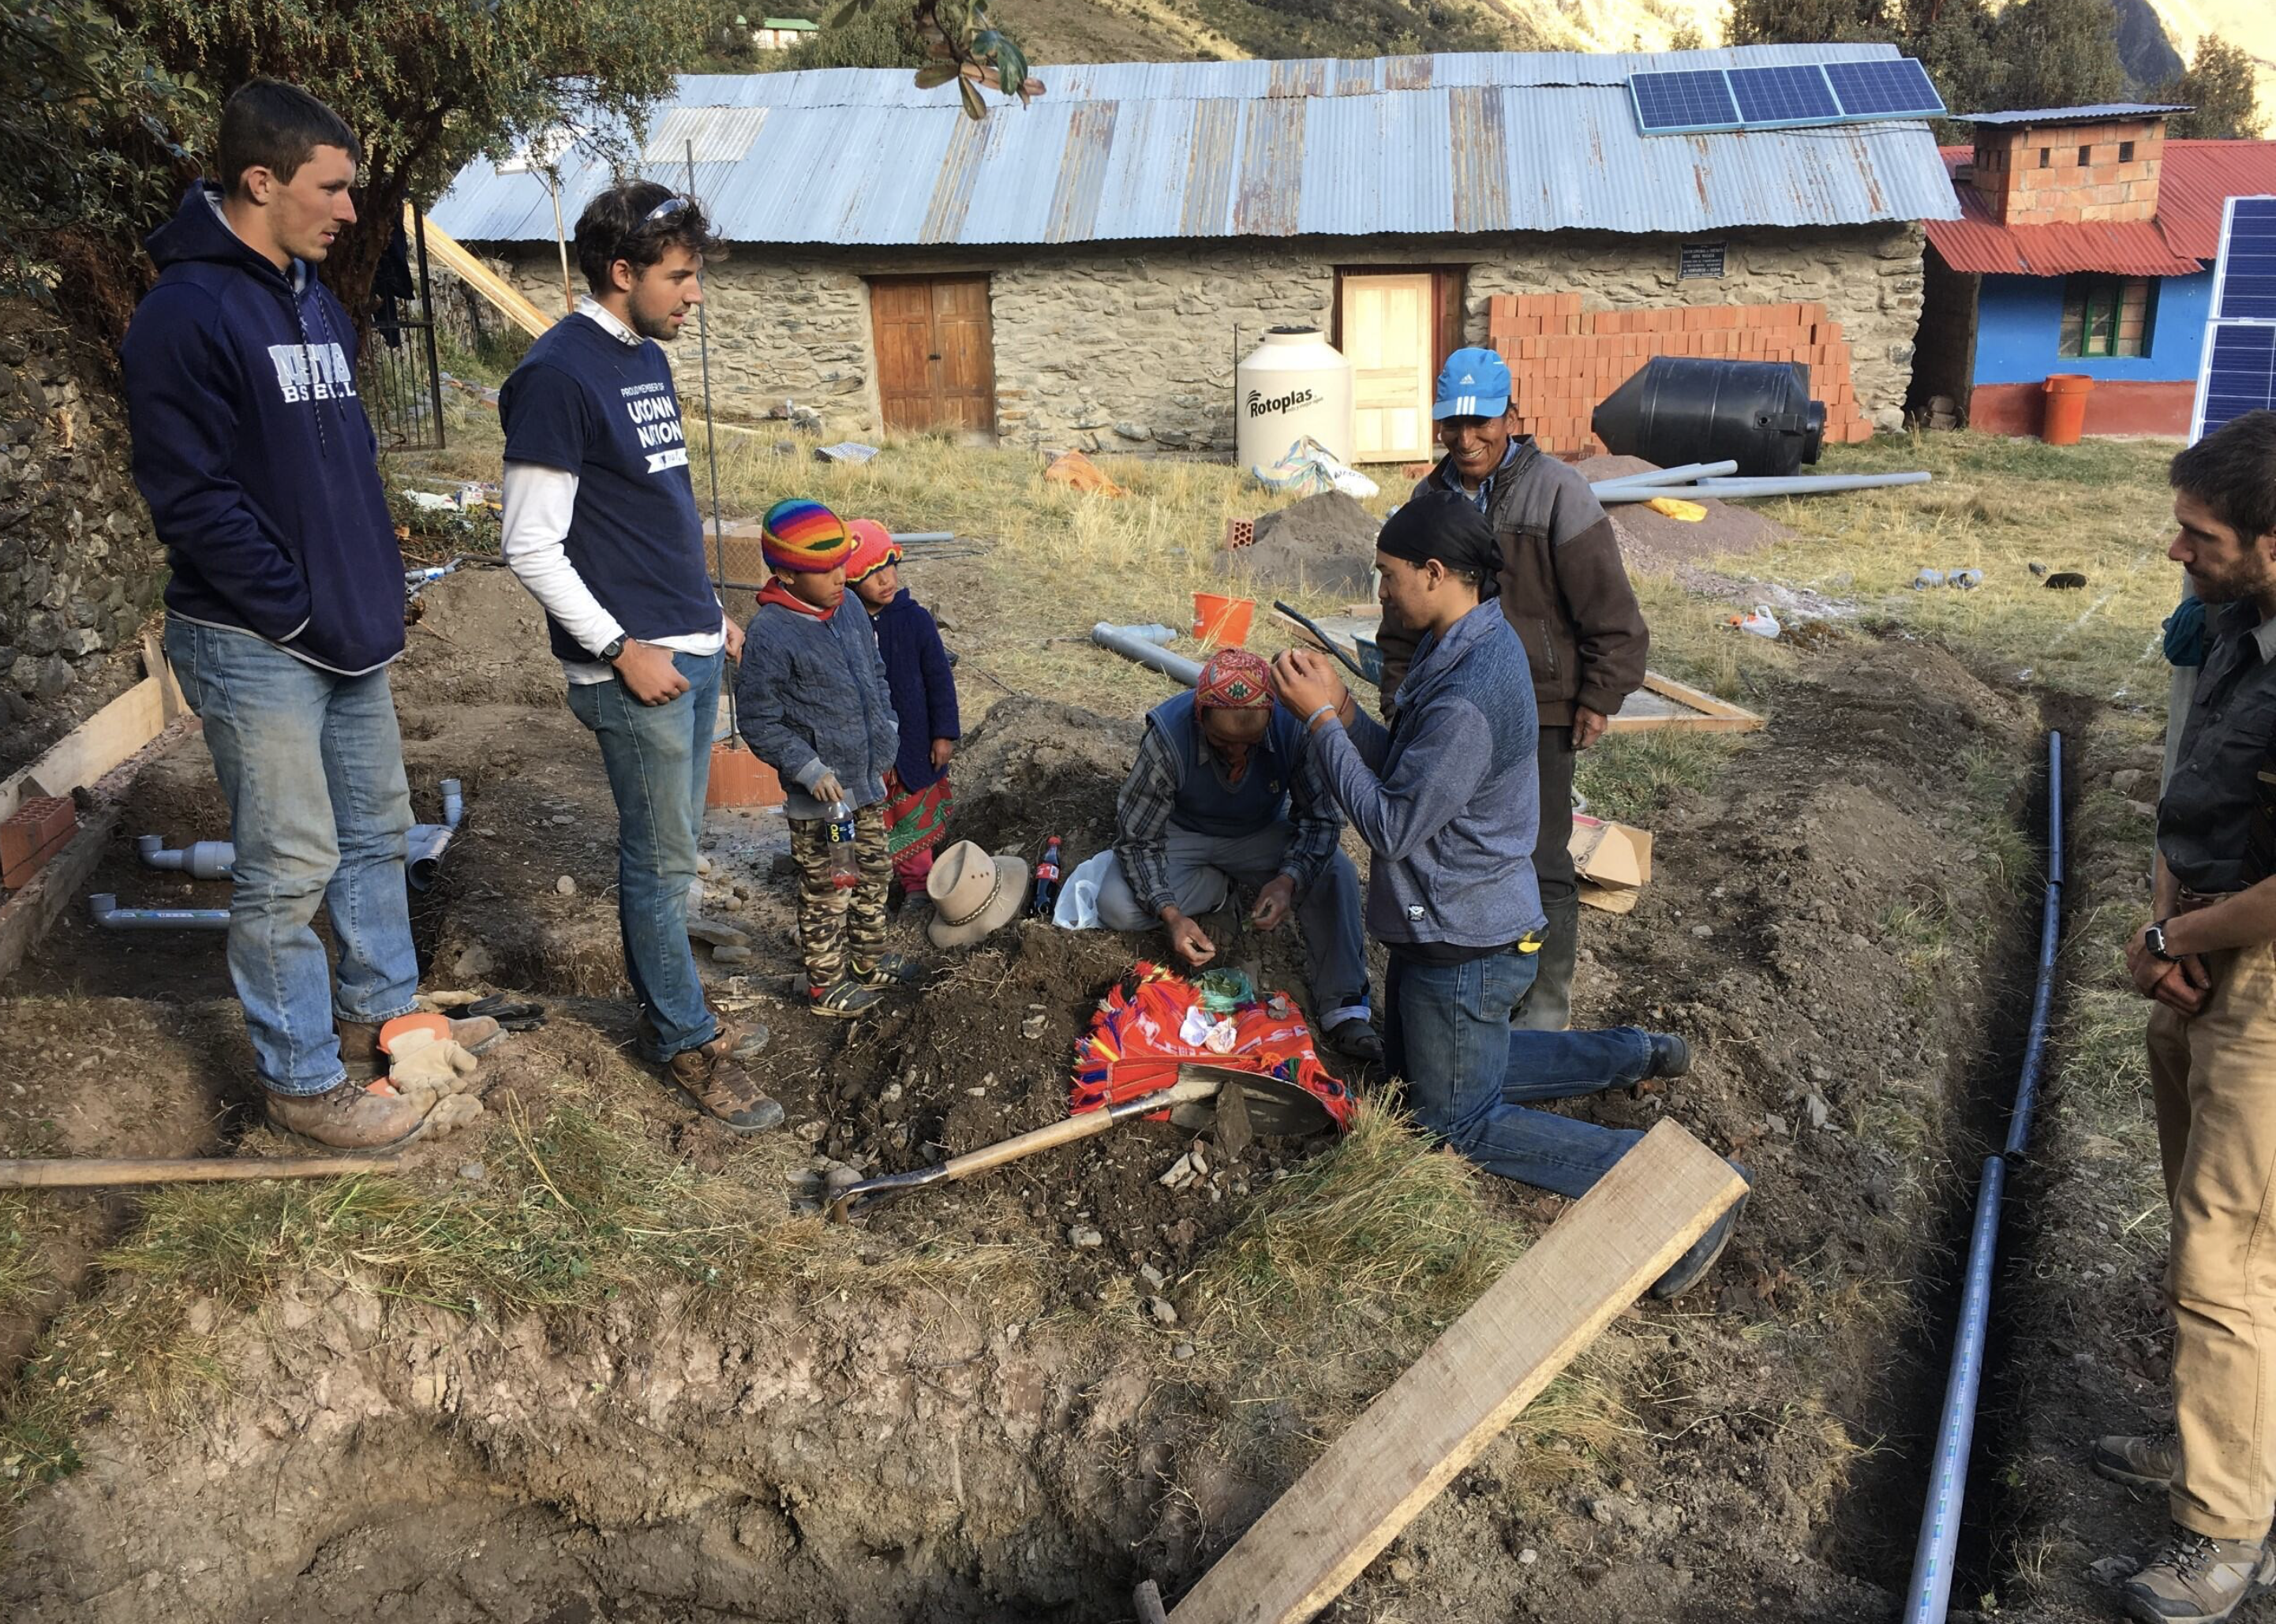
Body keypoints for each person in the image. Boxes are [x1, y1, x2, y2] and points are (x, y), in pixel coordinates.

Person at [121, 80, 496, 1149]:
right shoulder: (184, 314)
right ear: (260, 181)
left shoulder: (312, 299)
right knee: (288, 868)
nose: (347, 209)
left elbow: (347, 469)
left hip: (346, 635)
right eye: (330, 188)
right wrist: (299, 606)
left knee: (375, 839)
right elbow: (189, 498)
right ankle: (299, 1083)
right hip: (252, 640)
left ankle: (389, 1019)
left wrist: (370, 592)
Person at [1268, 488, 1741, 1300]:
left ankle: (1690, 1194)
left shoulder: (1464, 694)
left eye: (1388, 577)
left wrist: (1317, 727)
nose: (1380, 592)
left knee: (1456, 1121)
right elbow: (1414, 773)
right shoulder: (1468, 643)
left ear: (1434, 571)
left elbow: (1390, 824)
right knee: (1431, 1074)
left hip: (1462, 941)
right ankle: (1634, 1054)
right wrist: (1346, 713)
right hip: (1461, 923)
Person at [497, 178, 781, 1134]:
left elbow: (654, 507)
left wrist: (707, 610)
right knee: (658, 867)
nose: (694, 294)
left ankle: (682, 1007)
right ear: (622, 273)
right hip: (636, 668)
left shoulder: (640, 358)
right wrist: (621, 650)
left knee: (678, 851)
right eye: (680, 276)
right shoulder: (557, 377)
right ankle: (682, 1041)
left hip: (686, 643)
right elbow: (529, 544)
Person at [2102, 410, 2276, 1624]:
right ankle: (2212, 1437)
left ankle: (2222, 1531)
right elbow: (2195, 782)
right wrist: (2171, 912)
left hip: (2258, 978)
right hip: (2207, 947)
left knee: (2228, 1255)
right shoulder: (2234, 625)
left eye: (2200, 534)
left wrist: (2176, 941)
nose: (2179, 550)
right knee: (2202, 1224)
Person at [1375, 346, 1649, 1034]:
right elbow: (1400, 615)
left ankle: (1543, 1008)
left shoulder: (1557, 491)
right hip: (1447, 707)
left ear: (1512, 415)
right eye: (1452, 423)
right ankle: (1462, 988)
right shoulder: (1428, 500)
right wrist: (1396, 687)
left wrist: (1599, 694)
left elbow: (1609, 609)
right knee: (1443, 848)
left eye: (1481, 421)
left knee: (1540, 858)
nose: (1466, 438)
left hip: (1541, 706)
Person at [1096, 648, 1379, 1064]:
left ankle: (1345, 1008)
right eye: (1222, 743)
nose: (1236, 756)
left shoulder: (1293, 727)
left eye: (1249, 744)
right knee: (1116, 905)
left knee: (1335, 871)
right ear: (1200, 718)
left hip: (1260, 831)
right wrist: (1170, 915)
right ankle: (1213, 891)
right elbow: (1138, 840)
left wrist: (1287, 881)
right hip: (1184, 832)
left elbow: (1319, 820)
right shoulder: (1168, 737)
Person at [734, 499, 915, 1018]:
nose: (841, 578)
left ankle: (867, 958)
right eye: (825, 571)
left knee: (874, 873)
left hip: (866, 781)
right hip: (822, 799)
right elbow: (760, 721)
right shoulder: (771, 634)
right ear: (787, 574)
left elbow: (874, 673)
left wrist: (889, 729)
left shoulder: (851, 608)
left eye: (842, 565)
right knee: (827, 891)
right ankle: (826, 985)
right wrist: (808, 769)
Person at [844, 521, 960, 907]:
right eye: (872, 573)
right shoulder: (845, 624)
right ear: (848, 580)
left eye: (890, 566)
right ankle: (867, 888)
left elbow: (939, 678)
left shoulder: (916, 620)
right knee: (875, 817)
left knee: (912, 815)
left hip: (915, 741)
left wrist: (943, 733)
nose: (886, 579)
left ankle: (916, 886)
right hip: (867, 747)